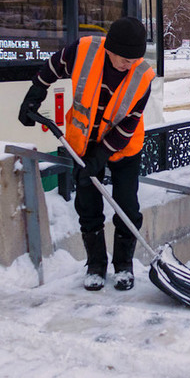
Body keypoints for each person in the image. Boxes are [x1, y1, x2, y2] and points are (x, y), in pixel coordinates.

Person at [18, 16, 154, 292]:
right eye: (124, 59)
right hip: (82, 144)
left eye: (133, 60)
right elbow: (54, 66)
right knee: (88, 206)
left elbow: (129, 122)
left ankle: (124, 266)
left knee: (126, 206)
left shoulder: (143, 75)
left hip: (124, 148)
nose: (129, 65)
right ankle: (95, 265)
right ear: (110, 49)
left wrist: (102, 156)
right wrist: (35, 92)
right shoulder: (85, 50)